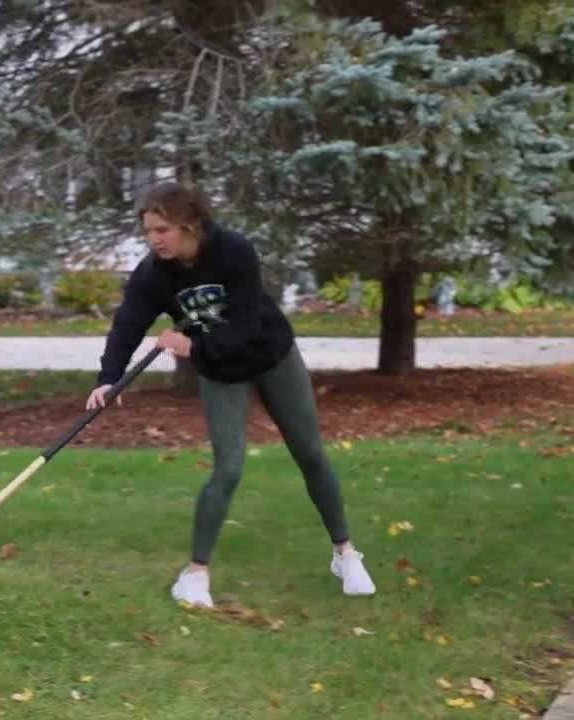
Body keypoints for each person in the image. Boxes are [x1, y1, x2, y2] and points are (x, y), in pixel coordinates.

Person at [87, 181, 375, 608]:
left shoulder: (234, 251)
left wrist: (191, 348)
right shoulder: (153, 275)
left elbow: (244, 327)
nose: (154, 240)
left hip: (271, 354)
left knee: (310, 453)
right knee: (229, 468)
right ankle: (195, 574)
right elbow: (128, 323)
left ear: (190, 224)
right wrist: (108, 378)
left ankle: (345, 554)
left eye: (162, 230)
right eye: (148, 231)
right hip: (221, 371)